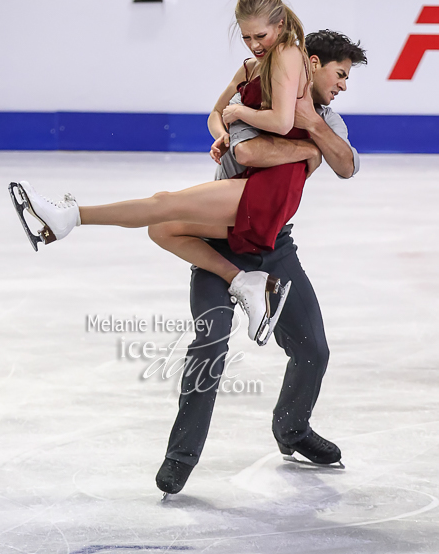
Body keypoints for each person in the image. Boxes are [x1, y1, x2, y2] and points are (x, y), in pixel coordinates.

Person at [9, 0, 314, 348]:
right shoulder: (251, 67)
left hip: (273, 181)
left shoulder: (287, 53)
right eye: (245, 36)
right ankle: (245, 283)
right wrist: (225, 135)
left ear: (279, 25)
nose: (253, 44)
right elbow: (215, 115)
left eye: (259, 35)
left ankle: (69, 218)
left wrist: (240, 114)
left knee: (165, 202)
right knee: (163, 228)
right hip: (250, 173)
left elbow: (281, 121)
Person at [155, 29, 367, 495]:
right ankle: (180, 456)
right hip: (220, 243)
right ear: (311, 63)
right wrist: (306, 143)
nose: (344, 85)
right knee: (208, 349)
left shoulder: (328, 118)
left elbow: (347, 165)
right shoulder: (261, 101)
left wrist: (313, 125)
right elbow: (249, 150)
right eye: (340, 73)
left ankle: (292, 429)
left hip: (274, 245)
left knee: (314, 347)